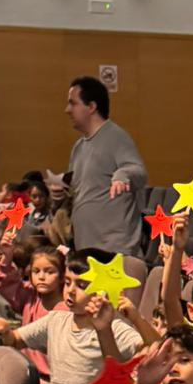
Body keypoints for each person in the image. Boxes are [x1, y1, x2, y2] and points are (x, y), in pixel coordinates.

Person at [0, 252, 143, 384]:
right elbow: (15, 339)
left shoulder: (116, 329)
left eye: (82, 285)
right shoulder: (55, 320)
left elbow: (153, 349)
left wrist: (135, 319)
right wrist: (5, 330)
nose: (70, 290)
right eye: (68, 282)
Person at [65, 74, 147, 254]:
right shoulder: (78, 147)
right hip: (86, 246)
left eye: (73, 103)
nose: (67, 110)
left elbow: (138, 172)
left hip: (114, 250)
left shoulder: (116, 137)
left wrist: (122, 175)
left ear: (92, 107)